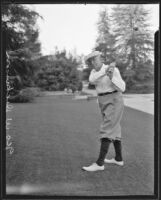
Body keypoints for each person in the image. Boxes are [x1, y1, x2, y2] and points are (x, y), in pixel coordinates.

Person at [82, 51, 126, 172]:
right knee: (115, 128)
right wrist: (105, 72)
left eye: (94, 59)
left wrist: (111, 77)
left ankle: (99, 163)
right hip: (102, 100)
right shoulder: (94, 72)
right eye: (90, 61)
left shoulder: (113, 70)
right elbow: (92, 80)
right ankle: (118, 158)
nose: (92, 62)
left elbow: (122, 87)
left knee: (107, 128)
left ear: (100, 59)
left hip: (115, 99)